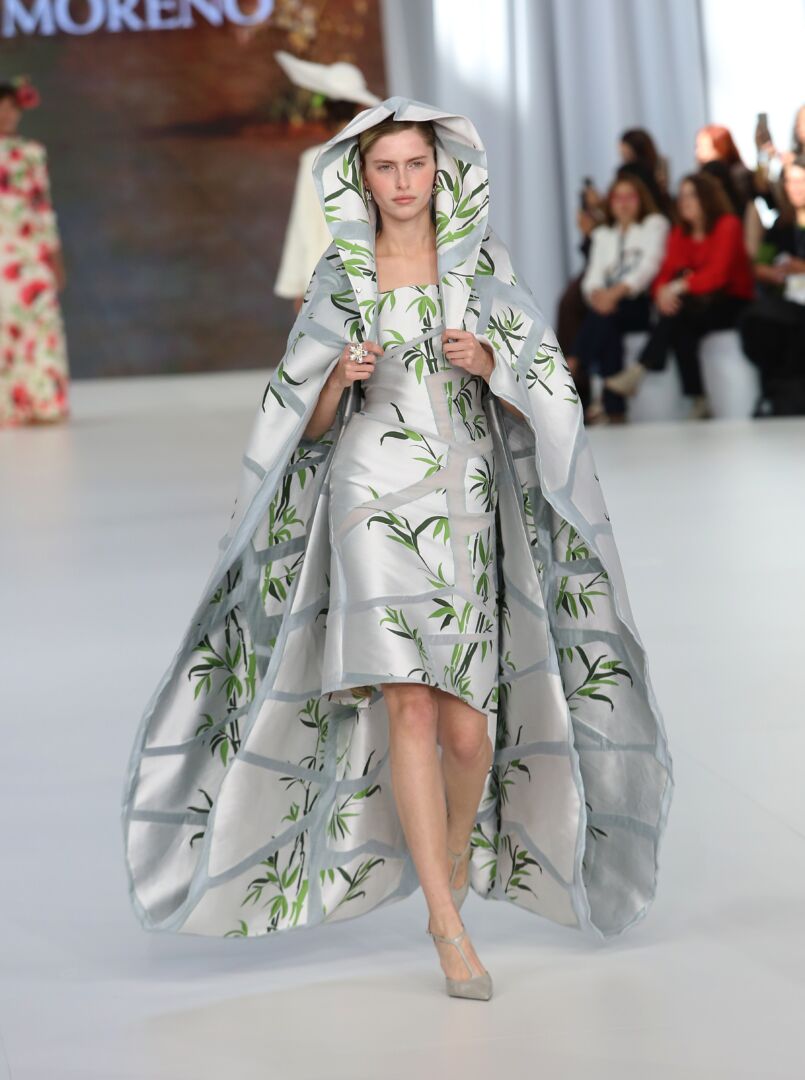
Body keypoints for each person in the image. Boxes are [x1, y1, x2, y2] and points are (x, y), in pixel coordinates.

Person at [121, 98, 674, 1001]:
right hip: (368, 492)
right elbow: (299, 422)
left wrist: (491, 366)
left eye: (416, 164)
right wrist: (335, 382)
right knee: (408, 705)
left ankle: (447, 860)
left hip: (462, 495)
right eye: (386, 167)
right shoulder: (340, 276)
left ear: (441, 168)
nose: (404, 181)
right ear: (362, 178)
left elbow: (548, 385)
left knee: (469, 730)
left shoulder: (482, 265)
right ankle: (446, 924)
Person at [606, 172, 754, 418]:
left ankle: (644, 369)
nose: (685, 201)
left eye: (691, 195)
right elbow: (665, 273)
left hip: (731, 301)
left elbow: (718, 275)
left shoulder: (727, 224)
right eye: (682, 195)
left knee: (679, 313)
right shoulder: (680, 233)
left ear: (707, 197)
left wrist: (676, 288)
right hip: (695, 303)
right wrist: (662, 293)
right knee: (679, 320)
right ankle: (696, 397)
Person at [273, 51, 381, 311]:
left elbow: (305, 223)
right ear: (359, 108)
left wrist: (301, 285)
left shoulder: (315, 159)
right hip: (379, 273)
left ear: (324, 111)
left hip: (329, 280)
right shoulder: (379, 155)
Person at [567, 174, 669, 423]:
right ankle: (614, 408)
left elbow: (648, 267)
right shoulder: (603, 234)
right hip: (607, 307)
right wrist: (598, 296)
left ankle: (573, 366)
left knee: (604, 316)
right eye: (618, 198)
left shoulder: (654, 225)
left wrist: (614, 294)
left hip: (639, 303)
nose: (623, 204)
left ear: (640, 199)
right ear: (610, 202)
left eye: (629, 197)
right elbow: (592, 277)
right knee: (606, 324)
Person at [0, 77, 69, 427]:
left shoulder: (31, 153)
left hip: (29, 252)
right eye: (1, 107)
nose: (6, 114)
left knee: (40, 326)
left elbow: (43, 208)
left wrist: (54, 258)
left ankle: (44, 403)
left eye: (11, 108)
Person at [739, 155, 805, 415]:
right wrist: (768, 271)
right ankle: (780, 395)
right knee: (761, 320)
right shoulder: (781, 226)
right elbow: (759, 264)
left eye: (801, 181)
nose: (796, 187)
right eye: (790, 181)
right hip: (787, 299)